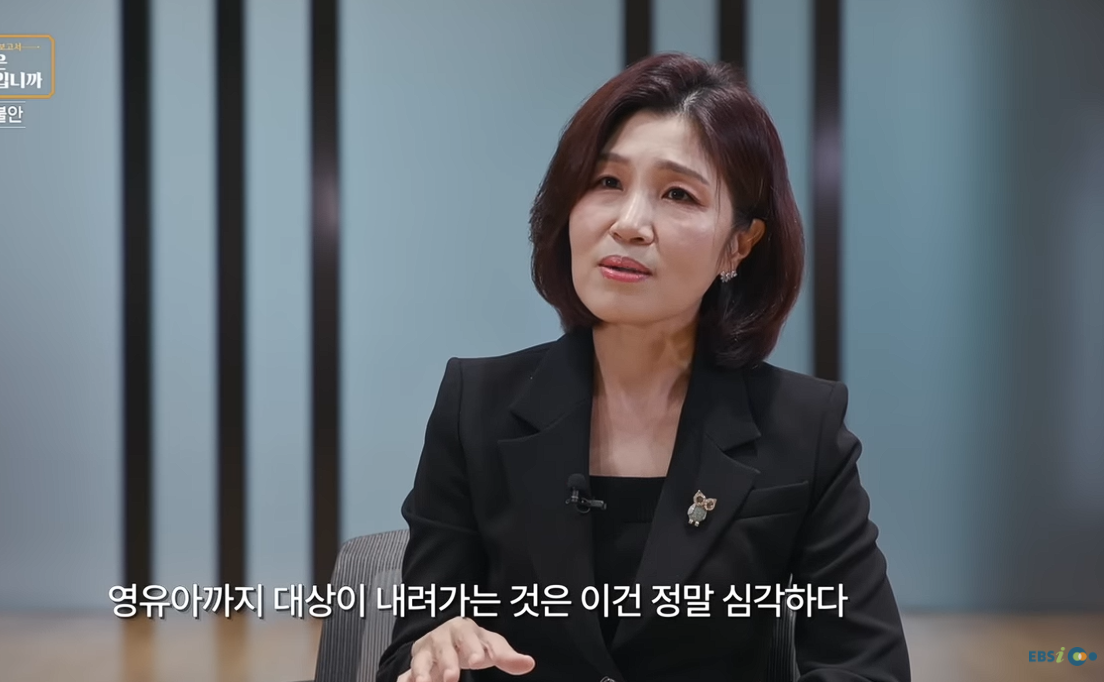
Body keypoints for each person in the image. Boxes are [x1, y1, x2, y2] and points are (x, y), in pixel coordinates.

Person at [375, 52, 910, 682]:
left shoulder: (803, 429)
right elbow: (411, 650)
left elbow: (866, 667)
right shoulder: (476, 407)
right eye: (606, 182)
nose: (629, 224)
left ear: (738, 245)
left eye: (678, 194)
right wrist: (435, 650)